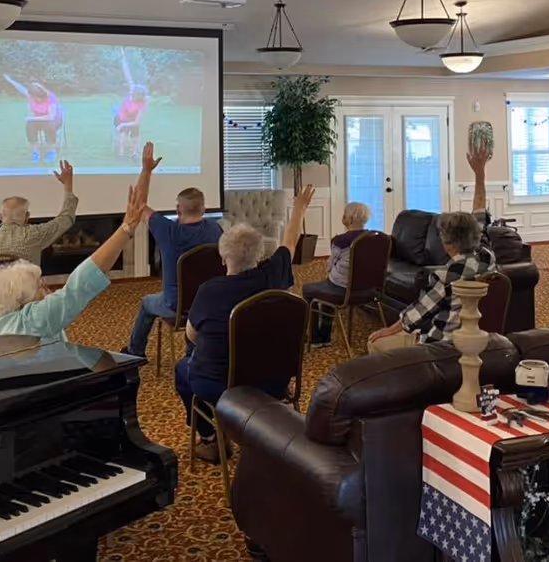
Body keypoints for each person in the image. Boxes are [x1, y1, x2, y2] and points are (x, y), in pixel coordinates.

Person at [176, 186, 309, 463]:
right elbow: (290, 243)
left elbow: (192, 335)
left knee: (182, 369)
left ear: (223, 257)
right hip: (274, 380)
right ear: (259, 255)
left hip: (222, 386)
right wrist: (298, 210)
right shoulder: (273, 275)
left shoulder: (209, 290)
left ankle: (210, 439)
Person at [0, 183, 149, 342]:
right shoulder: (37, 319)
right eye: (40, 286)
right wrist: (125, 228)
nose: (47, 289)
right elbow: (79, 284)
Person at [124, 165, 223, 357]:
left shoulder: (168, 231)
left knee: (146, 303)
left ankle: (134, 352)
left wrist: (146, 170)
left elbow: (139, 204)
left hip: (175, 306)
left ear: (178, 209)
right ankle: (193, 353)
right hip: (209, 304)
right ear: (203, 208)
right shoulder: (216, 230)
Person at [366, 211, 494, 352]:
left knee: (376, 342)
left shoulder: (447, 276)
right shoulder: (488, 259)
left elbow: (417, 314)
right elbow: (482, 225)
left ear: (448, 243)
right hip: (482, 338)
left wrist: (389, 330)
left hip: (443, 344)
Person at [302, 201, 372, 348]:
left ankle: (316, 338)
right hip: (368, 290)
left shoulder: (340, 241)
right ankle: (324, 335)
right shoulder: (375, 238)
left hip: (343, 289)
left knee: (310, 290)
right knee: (329, 287)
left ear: (349, 219)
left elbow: (330, 265)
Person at [0, 160, 78, 263]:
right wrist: (68, 185)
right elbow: (65, 219)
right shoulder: (34, 235)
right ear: (27, 216)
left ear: (0, 217)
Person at [3, 73, 64, 165]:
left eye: (39, 98)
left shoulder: (51, 97)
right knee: (30, 126)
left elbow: (51, 116)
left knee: (48, 125)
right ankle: (35, 151)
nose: (38, 100)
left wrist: (32, 118)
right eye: (35, 98)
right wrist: (10, 80)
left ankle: (51, 151)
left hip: (54, 120)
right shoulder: (30, 96)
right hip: (38, 120)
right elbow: (21, 88)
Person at [113, 47, 148, 159]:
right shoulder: (131, 90)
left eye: (135, 94)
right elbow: (127, 73)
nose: (132, 94)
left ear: (139, 96)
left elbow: (137, 123)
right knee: (123, 132)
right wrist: (122, 56)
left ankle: (134, 153)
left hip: (132, 122)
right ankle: (121, 153)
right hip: (120, 118)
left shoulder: (142, 104)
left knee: (135, 131)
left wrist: (124, 125)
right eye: (132, 92)